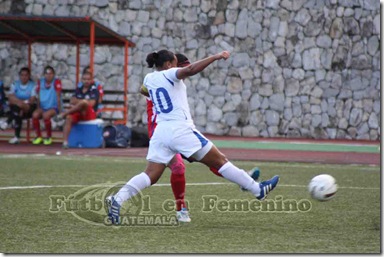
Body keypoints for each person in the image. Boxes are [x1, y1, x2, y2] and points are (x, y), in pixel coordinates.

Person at [106, 50, 279, 224]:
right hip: (180, 130)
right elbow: (189, 70)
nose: (181, 67)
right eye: (176, 63)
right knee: (220, 161)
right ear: (168, 64)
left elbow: (145, 91)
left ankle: (117, 200)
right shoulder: (170, 74)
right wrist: (215, 56)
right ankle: (257, 189)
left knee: (150, 174)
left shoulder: (149, 79)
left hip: (161, 132)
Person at [140, 53, 260, 222]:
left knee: (210, 160)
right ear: (171, 66)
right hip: (162, 132)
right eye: (181, 67)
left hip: (172, 131)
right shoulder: (165, 80)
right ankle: (181, 209)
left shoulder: (168, 83)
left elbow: (145, 90)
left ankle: (243, 180)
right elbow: (147, 90)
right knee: (178, 168)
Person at [57, 71, 99, 148]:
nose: (86, 81)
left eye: (88, 79)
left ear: (91, 80)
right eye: (84, 79)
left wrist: (81, 102)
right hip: (78, 112)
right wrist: (82, 102)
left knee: (84, 103)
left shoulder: (94, 90)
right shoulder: (78, 89)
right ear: (81, 80)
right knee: (69, 118)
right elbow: (72, 101)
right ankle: (65, 142)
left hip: (89, 113)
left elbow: (91, 104)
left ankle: (63, 114)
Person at [0, 67, 37, 144]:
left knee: (17, 107)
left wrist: (20, 103)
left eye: (26, 75)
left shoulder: (33, 85)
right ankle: (16, 137)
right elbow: (10, 98)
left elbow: (32, 100)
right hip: (17, 108)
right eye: (22, 75)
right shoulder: (15, 84)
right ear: (19, 76)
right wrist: (20, 104)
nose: (24, 77)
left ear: (29, 76)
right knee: (17, 110)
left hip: (28, 108)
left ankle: (7, 123)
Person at [31, 66, 62, 145]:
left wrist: (59, 110)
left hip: (53, 107)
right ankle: (39, 136)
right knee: (35, 115)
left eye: (50, 73)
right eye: (47, 73)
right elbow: (38, 95)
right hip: (43, 107)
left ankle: (49, 136)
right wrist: (38, 108)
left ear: (53, 74)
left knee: (46, 116)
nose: (48, 75)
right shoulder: (40, 82)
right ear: (44, 74)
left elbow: (58, 96)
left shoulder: (56, 82)